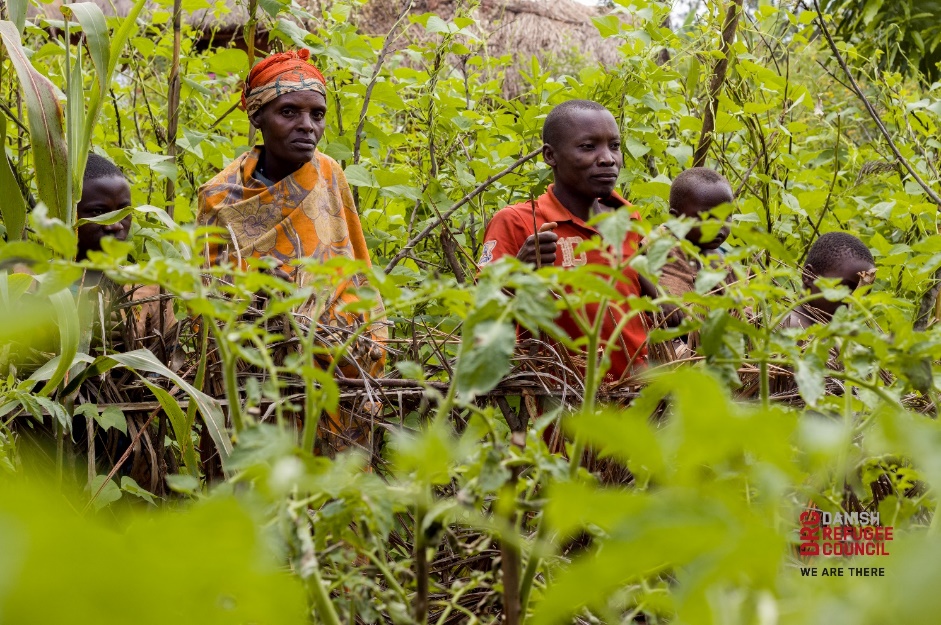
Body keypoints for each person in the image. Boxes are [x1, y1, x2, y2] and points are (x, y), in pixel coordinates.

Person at [197, 49, 386, 378]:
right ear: (257, 117)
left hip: (338, 357)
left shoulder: (329, 174)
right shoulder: (220, 198)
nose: (307, 126)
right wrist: (255, 295)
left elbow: (357, 268)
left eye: (317, 114)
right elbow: (205, 303)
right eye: (289, 112)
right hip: (256, 373)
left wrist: (333, 322)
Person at [479, 99, 660, 382]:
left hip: (639, 399)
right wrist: (515, 276)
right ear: (550, 155)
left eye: (614, 146)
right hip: (564, 402)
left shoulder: (628, 219)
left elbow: (651, 307)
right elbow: (481, 320)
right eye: (588, 147)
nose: (608, 159)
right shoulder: (519, 222)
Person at [657, 167, 734, 298]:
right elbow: (638, 270)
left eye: (726, 215)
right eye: (707, 217)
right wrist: (662, 296)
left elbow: (743, 303)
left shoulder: (725, 261)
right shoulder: (661, 246)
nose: (719, 225)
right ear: (676, 218)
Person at [783, 232, 876, 329]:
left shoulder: (832, 333)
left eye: (862, 294)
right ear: (809, 276)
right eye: (844, 289)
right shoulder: (792, 328)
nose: (852, 301)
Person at [76, 154, 133, 261]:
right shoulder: (40, 276)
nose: (116, 226)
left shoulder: (140, 277)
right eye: (99, 212)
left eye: (123, 211)